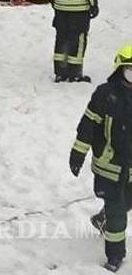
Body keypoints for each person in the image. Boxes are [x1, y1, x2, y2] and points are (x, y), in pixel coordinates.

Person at [69, 45, 132, 272]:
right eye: (130, 71)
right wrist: (78, 153)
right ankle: (115, 256)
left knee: (127, 202)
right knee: (117, 215)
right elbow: (88, 126)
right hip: (109, 167)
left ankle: (101, 219)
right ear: (120, 69)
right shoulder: (105, 94)